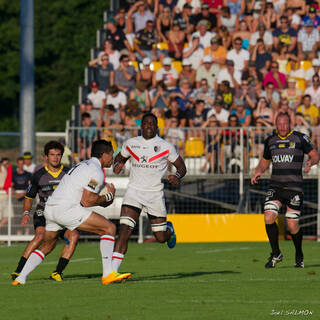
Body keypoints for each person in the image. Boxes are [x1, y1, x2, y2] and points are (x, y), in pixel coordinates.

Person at [12, 140, 131, 286]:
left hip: (50, 209)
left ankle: (20, 277)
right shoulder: (96, 172)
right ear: (104, 154)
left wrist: (104, 200)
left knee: (47, 245)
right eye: (111, 154)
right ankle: (108, 274)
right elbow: (87, 201)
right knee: (109, 228)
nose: (112, 159)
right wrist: (108, 196)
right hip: (66, 209)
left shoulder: (83, 165)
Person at [111, 113, 187, 273]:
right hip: (134, 192)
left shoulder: (166, 146)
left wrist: (177, 176)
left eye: (152, 123)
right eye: (146, 123)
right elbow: (118, 160)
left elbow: (181, 166)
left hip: (154, 194)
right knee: (124, 231)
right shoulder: (131, 143)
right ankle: (112, 272)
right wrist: (117, 165)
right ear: (141, 126)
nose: (149, 126)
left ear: (157, 126)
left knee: (160, 238)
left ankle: (169, 231)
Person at [251, 112, 319, 268]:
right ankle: (276, 253)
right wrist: (258, 171)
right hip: (276, 186)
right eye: (279, 124)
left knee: (292, 225)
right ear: (276, 124)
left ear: (290, 123)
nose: (282, 127)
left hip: (294, 187)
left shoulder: (300, 138)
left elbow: (315, 155)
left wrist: (311, 162)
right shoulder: (270, 141)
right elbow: (264, 162)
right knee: (268, 216)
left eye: (285, 123)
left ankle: (299, 254)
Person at [11, 141, 79, 282]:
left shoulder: (69, 173)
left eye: (58, 155)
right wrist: (26, 213)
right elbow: (29, 197)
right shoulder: (38, 175)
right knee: (40, 236)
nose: (55, 158)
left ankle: (57, 272)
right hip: (43, 212)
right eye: (52, 155)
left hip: (63, 214)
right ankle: (19, 270)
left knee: (74, 236)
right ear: (46, 157)